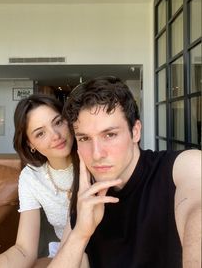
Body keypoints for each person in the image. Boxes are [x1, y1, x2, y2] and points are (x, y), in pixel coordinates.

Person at [48, 76, 201, 268]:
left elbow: (197, 205)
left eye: (109, 135)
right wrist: (81, 234)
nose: (96, 154)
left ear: (135, 131)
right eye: (85, 138)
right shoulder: (88, 193)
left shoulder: (180, 168)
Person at [0, 94, 78, 268]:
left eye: (58, 122)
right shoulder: (31, 177)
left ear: (68, 121)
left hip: (110, 249)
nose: (55, 135)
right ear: (30, 144)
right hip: (68, 253)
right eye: (40, 133)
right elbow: (24, 250)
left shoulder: (92, 158)